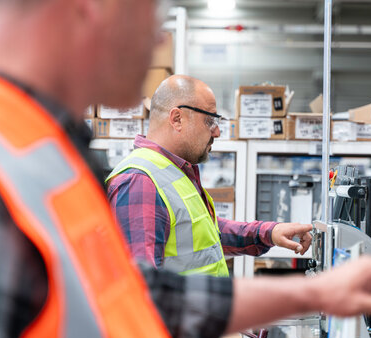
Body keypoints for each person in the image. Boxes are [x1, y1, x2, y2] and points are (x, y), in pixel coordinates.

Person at [0, 0, 371, 338]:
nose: (159, 38)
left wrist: (317, 292)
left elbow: (137, 299)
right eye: (150, 12)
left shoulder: (44, 153)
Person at [106, 74, 312, 275]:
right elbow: (141, 288)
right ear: (177, 119)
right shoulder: (140, 182)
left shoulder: (171, 170)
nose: (217, 132)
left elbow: (207, 234)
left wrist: (268, 233)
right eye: (210, 121)